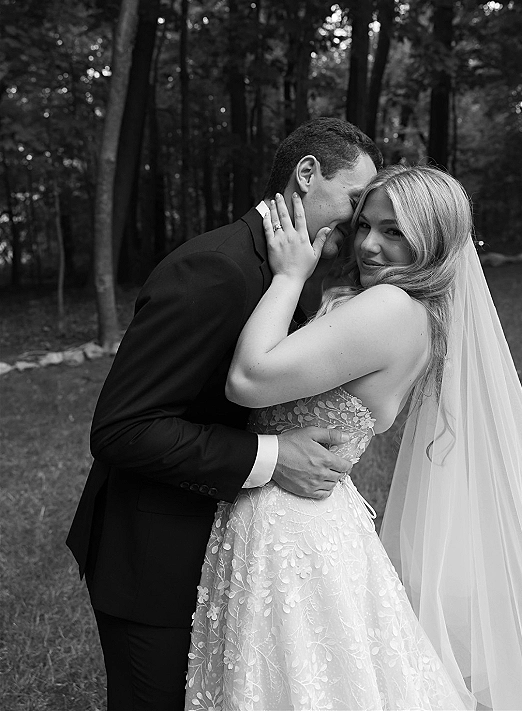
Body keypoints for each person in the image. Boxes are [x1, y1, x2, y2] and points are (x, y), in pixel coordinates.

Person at [185, 165, 522, 711]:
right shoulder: (419, 311)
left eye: (394, 232)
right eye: (365, 225)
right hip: (313, 513)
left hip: (293, 520)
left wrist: (289, 277)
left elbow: (248, 380)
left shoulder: (389, 308)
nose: (369, 245)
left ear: (433, 241)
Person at [66, 117, 381, 711]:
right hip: (153, 553)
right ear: (306, 176)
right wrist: (273, 456)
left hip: (229, 548)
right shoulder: (213, 269)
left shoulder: (292, 269)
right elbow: (121, 429)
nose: (360, 220)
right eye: (356, 199)